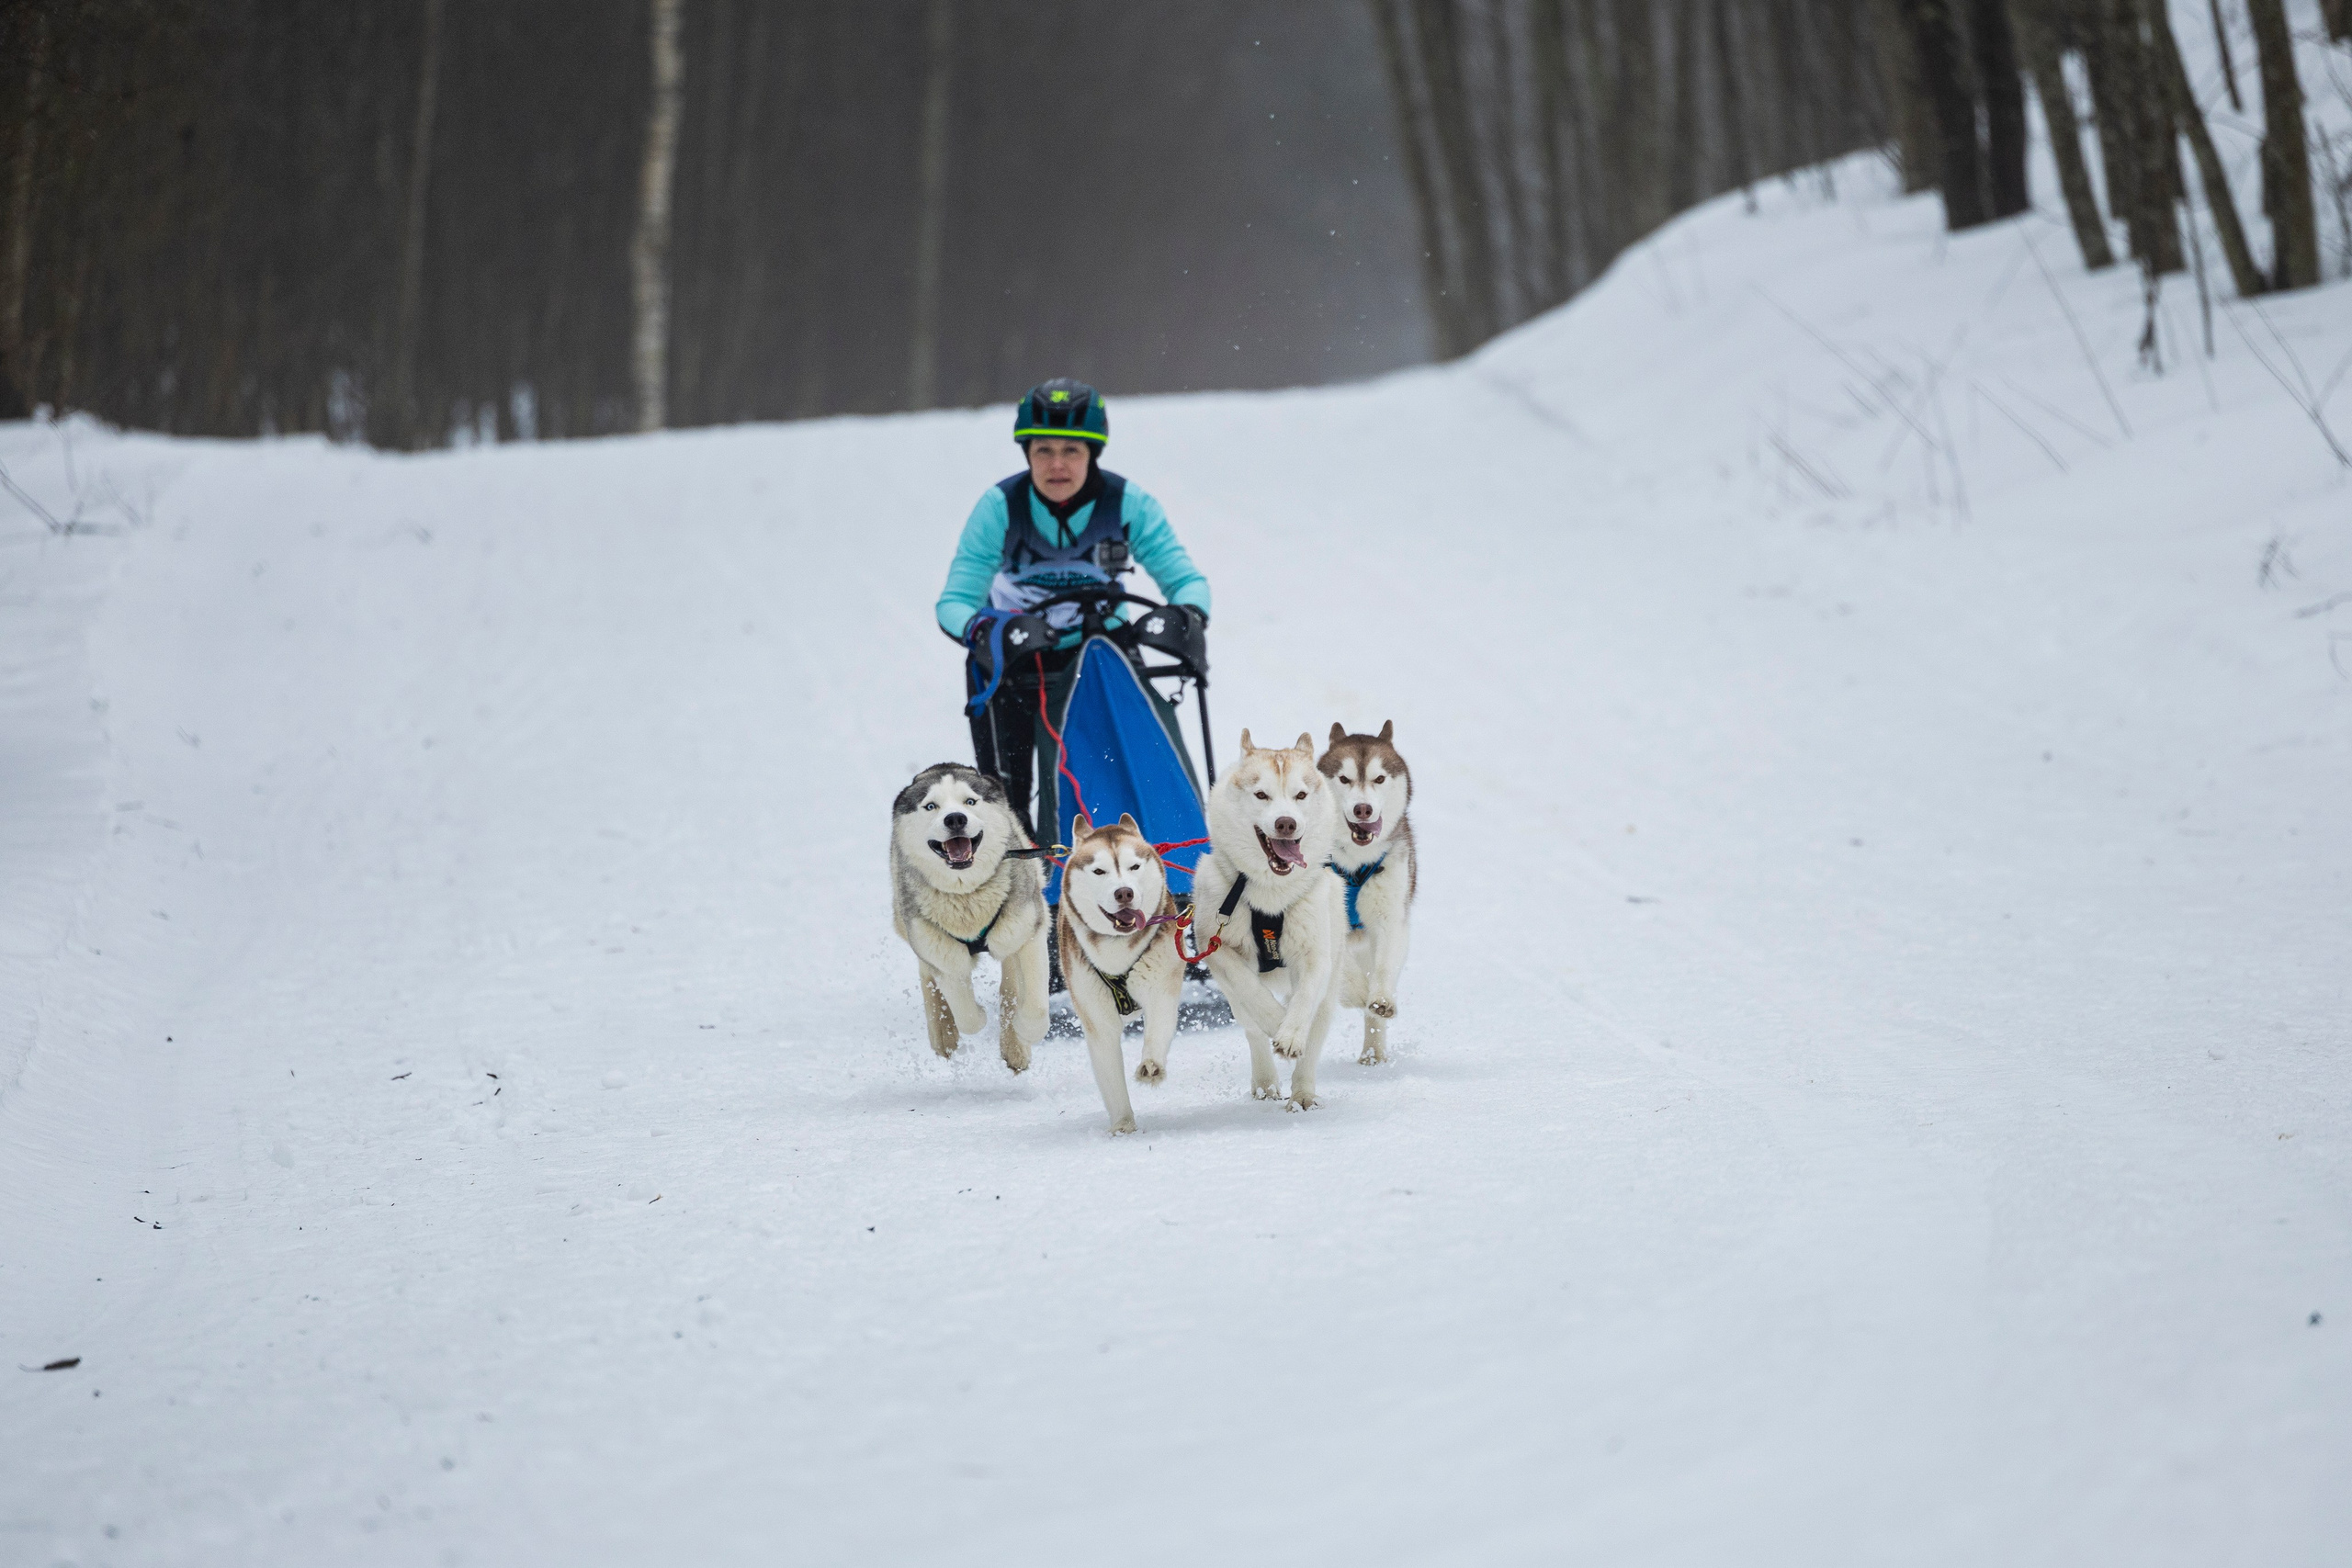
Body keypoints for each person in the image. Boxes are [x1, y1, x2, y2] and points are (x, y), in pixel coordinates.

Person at [936, 378, 1211, 840]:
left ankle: (1172, 852)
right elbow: (955, 603)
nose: (1057, 465)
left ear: (1093, 454)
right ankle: (1028, 870)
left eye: (1072, 451)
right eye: (1044, 451)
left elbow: (1187, 581)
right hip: (1018, 660)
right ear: (1026, 454)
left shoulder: (1129, 504)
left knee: (1142, 762)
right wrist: (988, 629)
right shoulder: (1000, 508)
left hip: (1106, 652)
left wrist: (1184, 615)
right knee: (1007, 794)